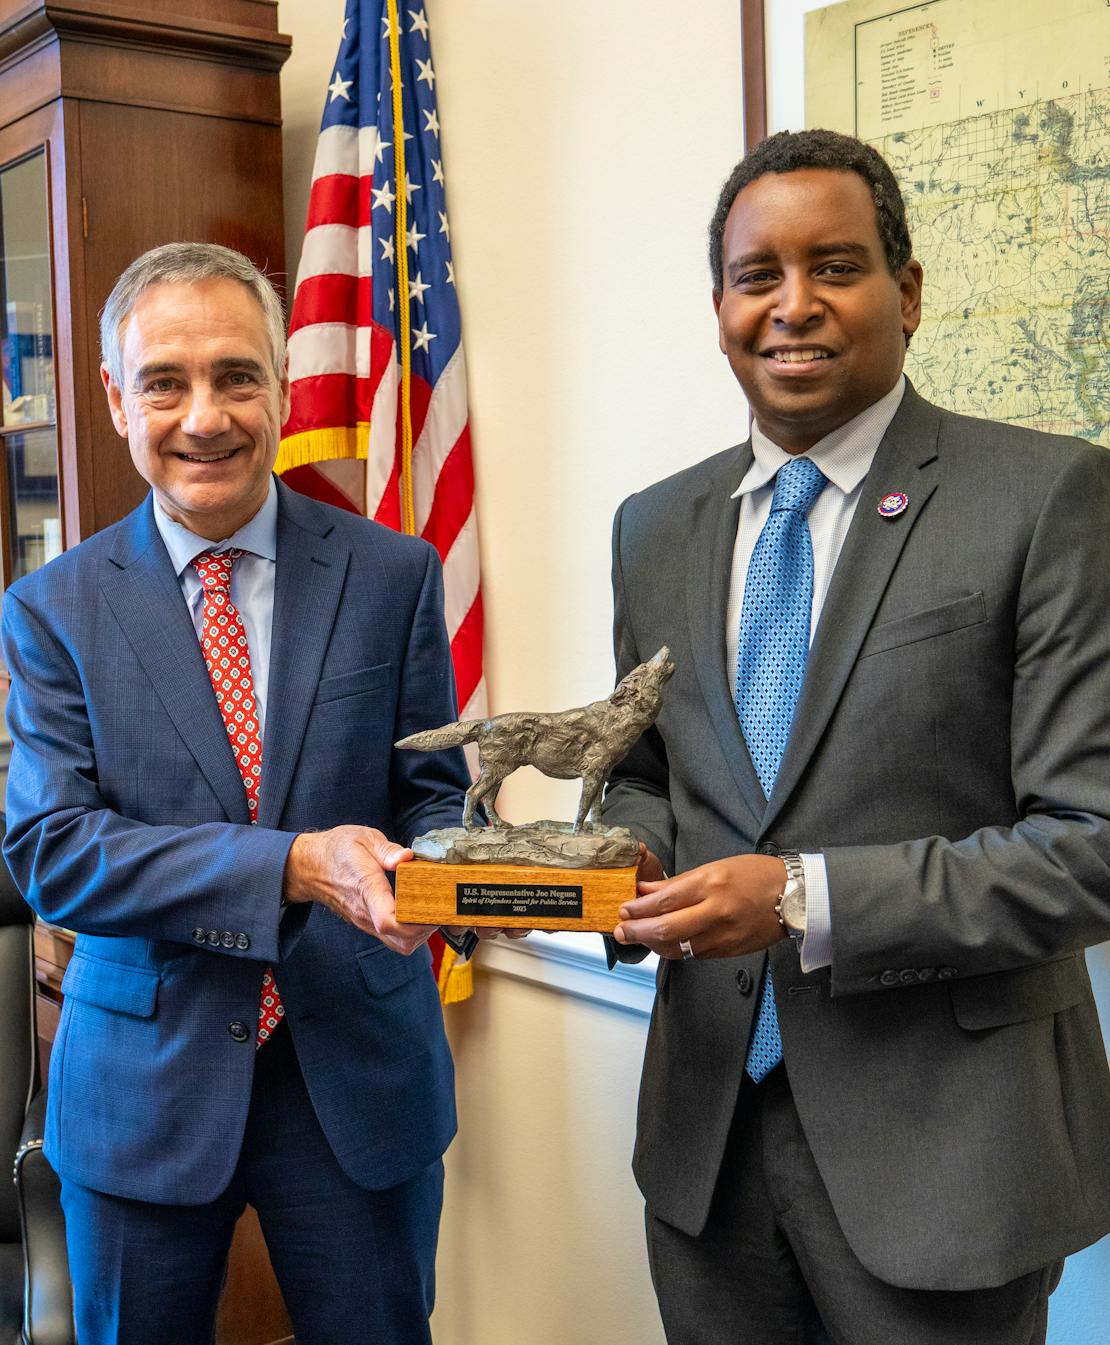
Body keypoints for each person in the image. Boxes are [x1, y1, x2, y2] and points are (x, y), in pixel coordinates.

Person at [602, 129, 1110, 1345]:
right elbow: (646, 769)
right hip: (705, 1146)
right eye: (755, 276)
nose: (792, 307)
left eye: (834, 267)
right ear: (719, 305)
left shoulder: (1045, 499)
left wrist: (798, 898)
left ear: (909, 291)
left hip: (945, 1157)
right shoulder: (652, 527)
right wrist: (619, 856)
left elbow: (1089, 844)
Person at [1, 242, 475, 1345]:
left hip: (356, 1078)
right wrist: (298, 865)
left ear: (280, 387)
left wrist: (448, 874)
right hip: (141, 1090)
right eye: (165, 381)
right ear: (118, 400)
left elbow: (435, 795)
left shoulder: (391, 573)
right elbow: (55, 848)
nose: (204, 415)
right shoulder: (53, 608)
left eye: (236, 375)